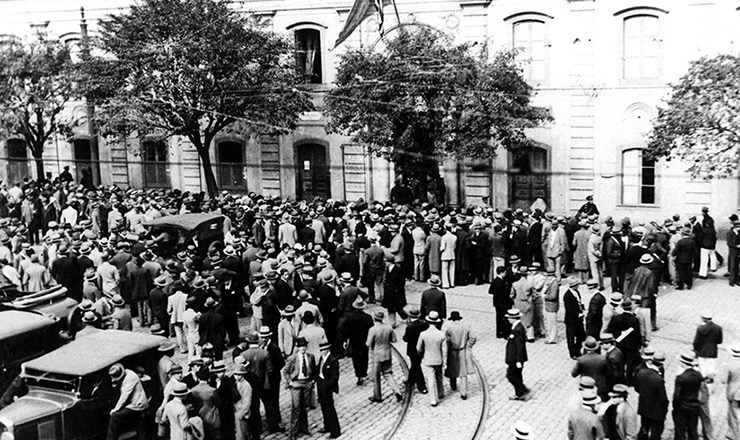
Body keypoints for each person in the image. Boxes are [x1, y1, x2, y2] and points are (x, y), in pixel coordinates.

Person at [366, 310, 403, 403]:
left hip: (377, 355)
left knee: (376, 376)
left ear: (375, 319)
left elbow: (368, 343)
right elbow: (394, 340)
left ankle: (377, 396)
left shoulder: (373, 329)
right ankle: (397, 391)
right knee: (388, 374)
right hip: (387, 353)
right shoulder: (389, 327)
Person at [283, 337, 316, 438]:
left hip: (307, 383)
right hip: (296, 384)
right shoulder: (292, 358)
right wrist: (290, 382)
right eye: (300, 347)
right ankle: (294, 432)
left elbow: (313, 369)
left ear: (306, 347)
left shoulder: (310, 357)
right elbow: (285, 371)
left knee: (304, 407)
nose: (303, 348)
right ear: (297, 347)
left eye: (304, 346)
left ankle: (304, 428)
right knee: (296, 408)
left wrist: (312, 380)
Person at [107, 363, 148, 440]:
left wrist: (116, 409)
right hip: (133, 403)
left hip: (137, 405)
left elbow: (124, 396)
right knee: (140, 427)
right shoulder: (125, 373)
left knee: (114, 416)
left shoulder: (131, 378)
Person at [338, 297, 373, 386]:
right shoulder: (368, 318)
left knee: (356, 358)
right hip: (364, 341)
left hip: (354, 341)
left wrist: (345, 340)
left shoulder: (350, 318)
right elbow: (371, 330)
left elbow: (345, 330)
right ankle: (364, 372)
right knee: (364, 357)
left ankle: (358, 375)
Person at [633, 352, 668, 440]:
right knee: (655, 433)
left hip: (644, 406)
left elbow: (637, 388)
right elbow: (663, 398)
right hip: (656, 410)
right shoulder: (659, 379)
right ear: (661, 365)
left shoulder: (641, 372)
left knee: (644, 428)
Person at [445, 311, 476, 400]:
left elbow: (447, 340)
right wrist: (468, 345)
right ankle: (463, 393)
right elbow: (473, 337)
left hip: (453, 351)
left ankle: (453, 385)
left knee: (452, 369)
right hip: (462, 351)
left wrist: (449, 347)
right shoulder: (466, 327)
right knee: (463, 373)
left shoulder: (449, 328)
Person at [417, 310, 445, 406]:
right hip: (438, 358)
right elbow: (444, 349)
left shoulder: (423, 334)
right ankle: (441, 392)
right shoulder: (441, 334)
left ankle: (433, 399)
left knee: (430, 379)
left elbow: (418, 348)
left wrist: (422, 355)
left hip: (428, 358)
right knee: (439, 376)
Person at [673, 351, 703, 440]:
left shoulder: (681, 378)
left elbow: (677, 396)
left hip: (682, 407)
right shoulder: (698, 375)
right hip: (694, 406)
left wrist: (675, 407)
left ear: (683, 363)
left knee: (680, 430)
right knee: (693, 430)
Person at [316, 340, 341, 438]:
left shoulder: (333, 360)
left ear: (328, 349)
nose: (322, 351)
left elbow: (334, 377)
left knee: (329, 408)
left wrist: (327, 386)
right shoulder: (322, 358)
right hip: (321, 384)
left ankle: (335, 431)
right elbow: (318, 369)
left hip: (327, 386)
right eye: (321, 350)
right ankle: (327, 426)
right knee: (323, 407)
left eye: (324, 349)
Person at [571, 337, 608, 402]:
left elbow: (574, 374)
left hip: (586, 386)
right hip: (600, 385)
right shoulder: (603, 359)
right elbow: (608, 372)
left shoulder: (581, 360)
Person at [505, 308, 530, 401]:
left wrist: (519, 360)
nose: (508, 319)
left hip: (515, 358)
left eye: (509, 318)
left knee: (510, 375)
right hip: (516, 358)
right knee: (517, 375)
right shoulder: (516, 327)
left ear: (513, 318)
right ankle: (519, 393)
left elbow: (520, 346)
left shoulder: (518, 329)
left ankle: (522, 390)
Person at [402, 307, 429, 394]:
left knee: (416, 367)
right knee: (416, 364)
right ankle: (410, 380)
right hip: (421, 349)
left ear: (410, 316)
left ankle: (422, 387)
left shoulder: (410, 327)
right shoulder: (424, 325)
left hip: (412, 350)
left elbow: (405, 339)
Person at [693, 310, 723, 381]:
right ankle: (710, 381)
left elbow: (696, 341)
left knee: (703, 368)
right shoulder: (718, 328)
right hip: (712, 351)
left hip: (701, 351)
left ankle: (703, 380)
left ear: (703, 318)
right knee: (711, 368)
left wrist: (695, 350)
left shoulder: (700, 328)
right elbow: (719, 341)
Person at [719, 343, 740, 439]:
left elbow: (723, 380)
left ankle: (735, 435)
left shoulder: (728, 365)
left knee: (733, 414)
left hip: (733, 393)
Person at [563, 277, 586, 359]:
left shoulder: (577, 292)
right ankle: (572, 353)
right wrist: (578, 314)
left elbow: (579, 303)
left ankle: (577, 350)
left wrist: (582, 309)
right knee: (571, 337)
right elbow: (569, 309)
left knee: (581, 336)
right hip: (571, 320)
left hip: (579, 318)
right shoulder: (567, 295)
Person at [490, 266, 512, 339]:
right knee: (504, 318)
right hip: (503, 303)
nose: (505, 274)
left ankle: (499, 333)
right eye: (505, 272)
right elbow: (504, 294)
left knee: (498, 318)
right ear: (501, 272)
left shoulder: (494, 280)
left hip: (497, 303)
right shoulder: (501, 282)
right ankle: (505, 333)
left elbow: (490, 291)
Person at [233, 363, 253, 440]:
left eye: (239, 375)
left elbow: (247, 403)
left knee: (241, 436)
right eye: (235, 375)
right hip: (236, 411)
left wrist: (240, 414)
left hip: (242, 414)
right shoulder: (236, 383)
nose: (237, 377)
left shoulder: (246, 385)